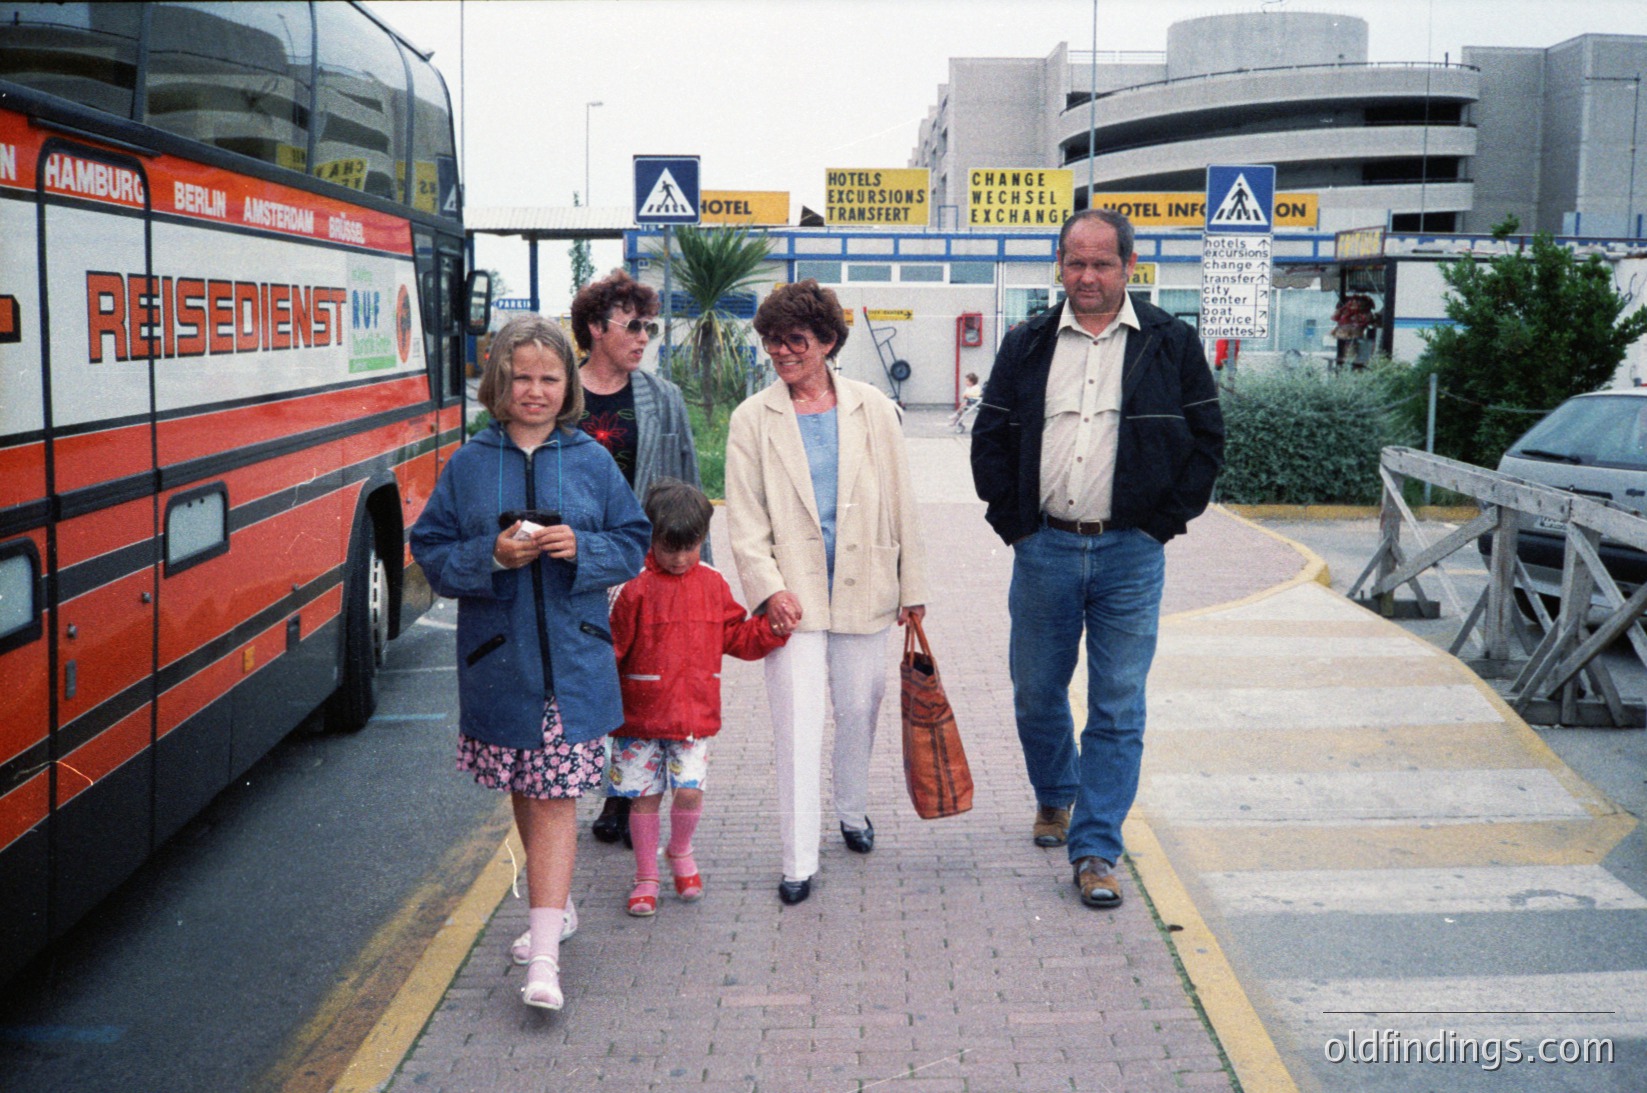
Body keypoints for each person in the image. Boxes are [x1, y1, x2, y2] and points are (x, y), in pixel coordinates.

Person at [969, 209, 1223, 910]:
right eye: (1074, 262)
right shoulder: (1025, 344)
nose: (1086, 276)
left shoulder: (1170, 342)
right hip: (1044, 547)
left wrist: (1160, 524)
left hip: (1130, 555)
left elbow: (1207, 441)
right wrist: (1013, 524)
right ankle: (1056, 793)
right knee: (1034, 691)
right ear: (1058, 264)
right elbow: (989, 437)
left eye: (1101, 264)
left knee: (1116, 704)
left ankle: (1095, 848)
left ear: (1129, 267)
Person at [410, 315, 650, 1010]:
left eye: (549, 378)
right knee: (527, 783)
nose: (535, 390)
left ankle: (542, 956)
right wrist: (490, 553)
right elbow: (430, 553)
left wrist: (584, 547)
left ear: (568, 384)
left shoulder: (592, 460)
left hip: (572, 663)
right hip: (500, 663)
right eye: (521, 377)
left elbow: (631, 540)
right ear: (498, 381)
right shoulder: (468, 463)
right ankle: (558, 907)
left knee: (552, 794)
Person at [726, 279, 929, 906]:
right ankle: (797, 859)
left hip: (868, 584)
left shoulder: (872, 407)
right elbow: (744, 518)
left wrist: (912, 587)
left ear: (828, 342)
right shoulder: (751, 419)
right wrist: (766, 590)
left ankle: (851, 809)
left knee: (859, 713)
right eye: (771, 342)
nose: (782, 353)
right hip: (796, 598)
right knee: (796, 726)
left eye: (796, 341)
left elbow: (902, 500)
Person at [569, 268, 711, 846]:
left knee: (640, 683)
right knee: (591, 679)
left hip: (642, 561)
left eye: (648, 326)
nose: (643, 337)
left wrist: (697, 564)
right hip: (577, 563)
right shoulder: (563, 394)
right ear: (596, 328)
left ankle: (623, 797)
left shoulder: (663, 397)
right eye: (633, 325)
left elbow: (687, 485)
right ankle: (594, 783)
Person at [606, 478, 787, 916]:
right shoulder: (631, 587)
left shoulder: (712, 582)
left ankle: (681, 852)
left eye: (691, 547)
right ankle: (646, 876)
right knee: (643, 799)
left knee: (689, 792)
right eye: (670, 548)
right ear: (650, 537)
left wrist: (772, 630)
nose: (681, 558)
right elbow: (609, 650)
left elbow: (736, 636)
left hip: (692, 719)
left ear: (702, 539)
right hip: (638, 720)